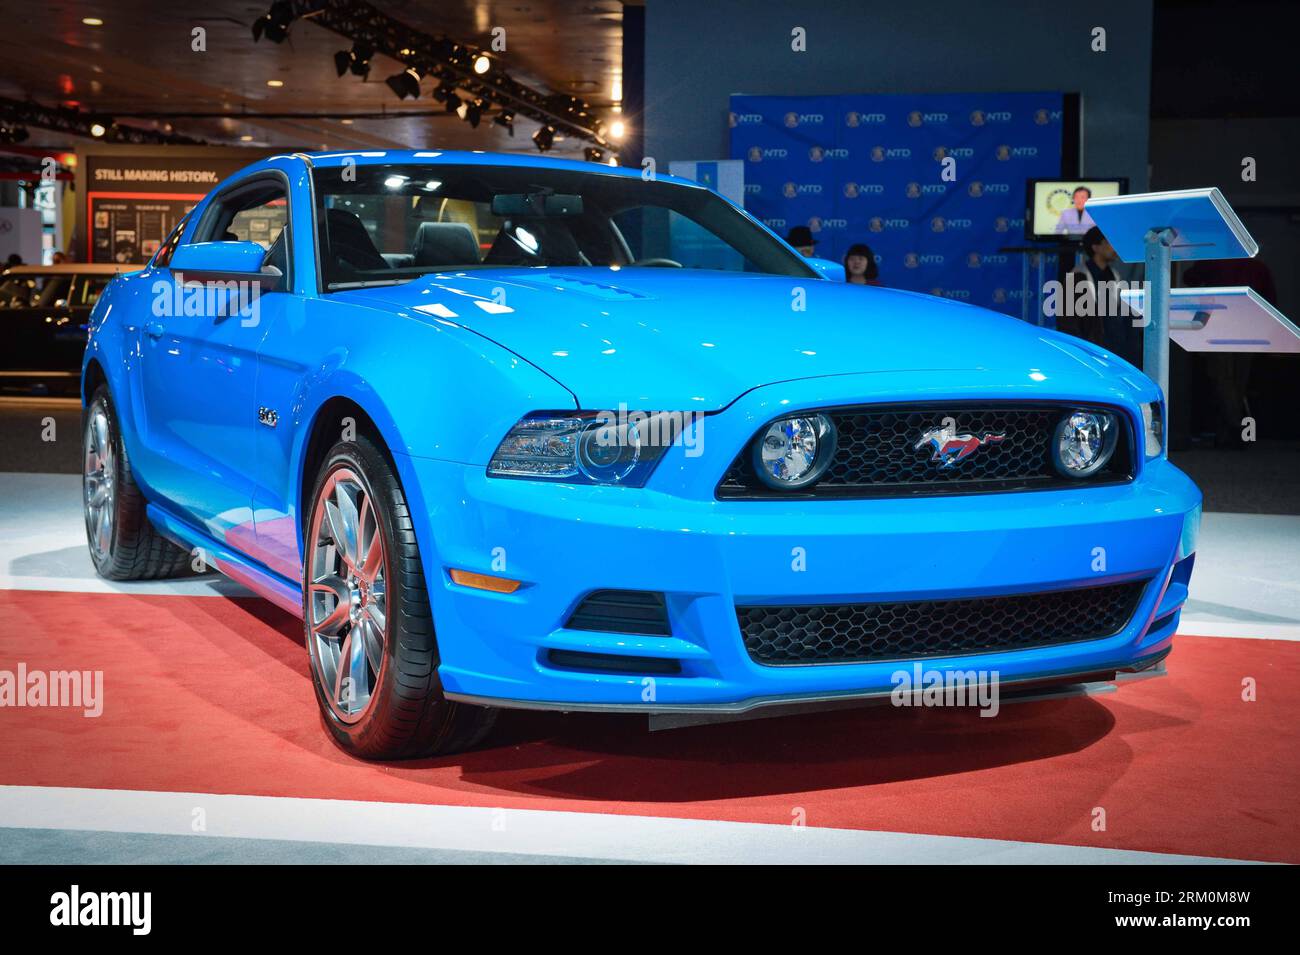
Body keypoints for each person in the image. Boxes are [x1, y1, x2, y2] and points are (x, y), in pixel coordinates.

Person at [1056, 226, 1142, 368]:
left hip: (1116, 355)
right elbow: (1068, 323)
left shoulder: (1115, 276)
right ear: (1095, 247)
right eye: (1108, 242)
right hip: (1090, 356)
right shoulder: (1077, 277)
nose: (1114, 247)